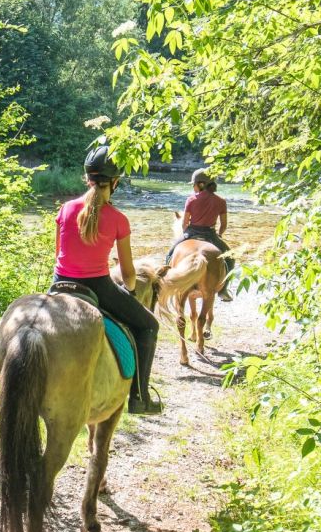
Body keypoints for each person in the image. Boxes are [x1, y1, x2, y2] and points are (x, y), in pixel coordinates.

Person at [54, 144, 163, 415]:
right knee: (149, 325)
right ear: (114, 183)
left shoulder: (66, 209)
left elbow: (58, 253)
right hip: (98, 286)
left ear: (87, 178)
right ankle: (139, 397)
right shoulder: (117, 219)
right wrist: (129, 290)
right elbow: (127, 274)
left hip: (59, 283)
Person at [171, 168, 234, 302]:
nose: (193, 187)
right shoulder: (221, 201)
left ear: (200, 184)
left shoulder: (191, 199)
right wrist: (220, 234)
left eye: (193, 184)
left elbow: (185, 222)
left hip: (191, 232)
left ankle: (169, 281)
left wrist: (185, 233)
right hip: (210, 234)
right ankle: (223, 290)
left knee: (171, 253)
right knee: (230, 258)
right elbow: (223, 224)